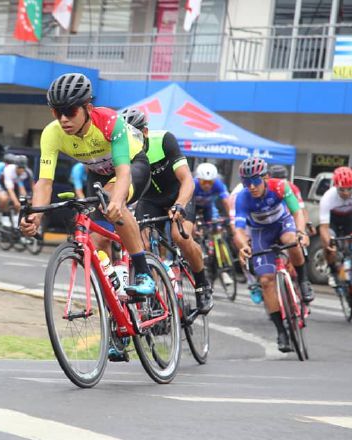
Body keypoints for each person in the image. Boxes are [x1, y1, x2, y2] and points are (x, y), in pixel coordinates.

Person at [20, 72, 155, 295]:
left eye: (70, 111)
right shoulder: (51, 134)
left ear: (88, 109)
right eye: (57, 112)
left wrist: (117, 201)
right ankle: (114, 300)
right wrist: (36, 216)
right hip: (98, 174)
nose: (63, 119)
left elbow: (122, 173)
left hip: (132, 166)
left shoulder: (110, 122)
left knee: (112, 202)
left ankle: (143, 273)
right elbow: (44, 182)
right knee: (96, 239)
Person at [121, 107, 213, 314]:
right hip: (150, 200)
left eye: (134, 136)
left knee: (179, 237)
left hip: (177, 195)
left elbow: (187, 180)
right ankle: (155, 301)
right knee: (140, 243)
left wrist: (179, 204)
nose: (130, 142)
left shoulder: (164, 140)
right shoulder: (123, 151)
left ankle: (202, 284)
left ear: (144, 132)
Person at [233, 157, 314, 353]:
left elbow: (297, 213)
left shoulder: (280, 186)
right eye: (246, 182)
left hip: (282, 224)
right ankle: (281, 332)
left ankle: (303, 281)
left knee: (291, 240)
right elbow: (238, 229)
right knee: (266, 280)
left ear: (266, 178)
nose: (251, 186)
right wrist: (243, 245)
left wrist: (301, 232)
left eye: (255, 181)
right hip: (261, 233)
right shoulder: (243, 198)